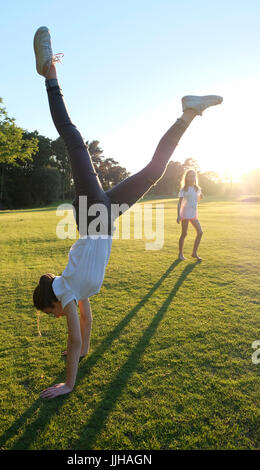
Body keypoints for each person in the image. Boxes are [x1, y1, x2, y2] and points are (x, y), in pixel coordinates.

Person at [32, 26, 223, 398]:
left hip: (93, 218)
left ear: (52, 304)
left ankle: (49, 74)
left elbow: (73, 335)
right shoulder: (74, 290)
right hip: (105, 217)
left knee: (73, 139)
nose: (57, 318)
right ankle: (188, 112)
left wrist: (68, 383)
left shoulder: (66, 291)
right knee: (154, 171)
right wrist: (86, 351)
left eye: (50, 315)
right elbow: (86, 324)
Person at [177, 170, 204, 261]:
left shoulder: (197, 188)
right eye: (190, 176)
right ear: (186, 177)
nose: (192, 178)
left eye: (193, 176)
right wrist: (178, 215)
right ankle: (180, 254)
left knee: (200, 232)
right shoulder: (183, 189)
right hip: (185, 213)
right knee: (184, 233)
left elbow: (197, 199)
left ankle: (194, 253)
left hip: (193, 213)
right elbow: (179, 203)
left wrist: (200, 196)